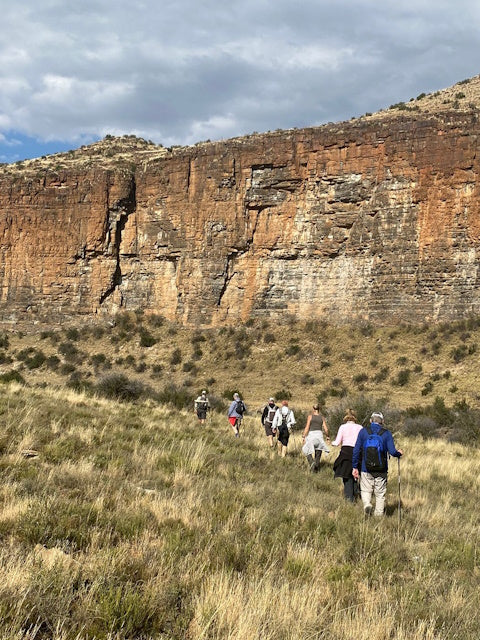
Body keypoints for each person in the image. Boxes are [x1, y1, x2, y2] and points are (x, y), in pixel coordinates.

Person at [352, 411, 403, 517]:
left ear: (371, 420)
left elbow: (356, 450)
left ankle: (367, 504)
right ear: (382, 421)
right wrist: (399, 453)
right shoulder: (387, 433)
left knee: (366, 489)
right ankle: (378, 517)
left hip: (366, 468)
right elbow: (392, 452)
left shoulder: (363, 432)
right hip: (381, 468)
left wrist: (354, 466)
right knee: (380, 493)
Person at [332, 409, 363, 501]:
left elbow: (337, 442)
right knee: (355, 474)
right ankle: (355, 493)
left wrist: (331, 443)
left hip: (346, 452)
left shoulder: (343, 427)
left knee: (346, 476)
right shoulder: (360, 427)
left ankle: (349, 499)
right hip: (357, 452)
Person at [302, 404, 330, 471]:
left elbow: (307, 427)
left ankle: (312, 463)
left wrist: (304, 436)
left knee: (307, 450)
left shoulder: (310, 417)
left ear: (313, 409)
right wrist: (327, 436)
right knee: (318, 452)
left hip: (312, 435)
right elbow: (326, 429)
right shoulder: (322, 417)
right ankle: (316, 468)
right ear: (319, 409)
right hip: (319, 435)